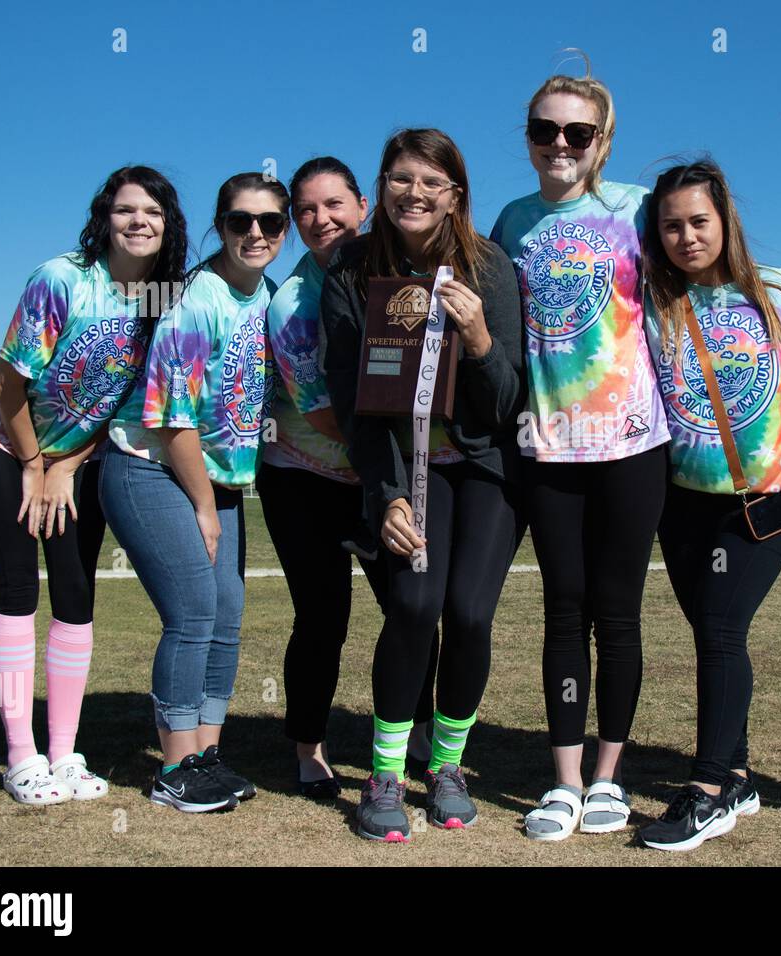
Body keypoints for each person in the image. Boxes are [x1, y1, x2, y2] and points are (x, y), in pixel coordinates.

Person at [0, 166, 188, 805]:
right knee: (20, 583)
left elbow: (116, 404)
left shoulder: (161, 300)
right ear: (104, 218)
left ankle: (64, 753)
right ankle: (20, 757)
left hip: (69, 456)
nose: (139, 222)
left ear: (169, 225)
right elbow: (8, 383)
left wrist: (66, 464)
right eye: (125, 210)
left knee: (77, 590)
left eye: (154, 212)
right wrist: (34, 464)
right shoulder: (62, 279)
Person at [321, 129, 524, 841]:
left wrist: (478, 341)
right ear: (382, 186)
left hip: (483, 467)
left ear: (455, 197)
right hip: (404, 468)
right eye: (401, 178)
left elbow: (505, 404)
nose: (415, 194)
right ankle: (383, 775)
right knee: (412, 605)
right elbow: (352, 403)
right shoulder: (352, 270)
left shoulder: (490, 268)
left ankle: (446, 766)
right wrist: (387, 496)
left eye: (432, 183)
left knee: (468, 613)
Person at [491, 69, 671, 841]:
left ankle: (608, 778)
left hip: (634, 444)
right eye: (544, 130)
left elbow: (707, 278)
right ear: (529, 137)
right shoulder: (512, 221)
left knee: (617, 614)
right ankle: (563, 781)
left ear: (603, 140)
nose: (559, 145)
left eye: (577, 133)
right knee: (563, 613)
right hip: (547, 449)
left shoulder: (636, 210)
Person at [102, 172, 288, 813]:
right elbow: (169, 416)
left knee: (228, 620)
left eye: (269, 222)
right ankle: (175, 769)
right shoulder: (197, 300)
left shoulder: (266, 296)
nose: (255, 233)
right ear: (221, 227)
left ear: (284, 230)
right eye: (240, 222)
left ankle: (206, 756)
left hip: (220, 483)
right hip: (153, 469)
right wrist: (205, 507)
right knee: (192, 615)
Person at [638, 160, 781, 851]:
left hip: (758, 504)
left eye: (698, 221)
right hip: (681, 504)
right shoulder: (656, 305)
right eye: (672, 225)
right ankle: (738, 775)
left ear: (725, 220)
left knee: (719, 632)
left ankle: (706, 790)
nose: (686, 236)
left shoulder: (777, 294)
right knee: (711, 632)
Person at [258, 157, 438, 799]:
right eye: (304, 210)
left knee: (413, 607)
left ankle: (419, 733)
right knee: (323, 617)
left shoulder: (396, 272)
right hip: (307, 478)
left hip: (379, 475)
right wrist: (396, 473)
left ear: (363, 205)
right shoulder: (292, 303)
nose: (320, 219)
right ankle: (309, 748)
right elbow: (328, 417)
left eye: (333, 204)